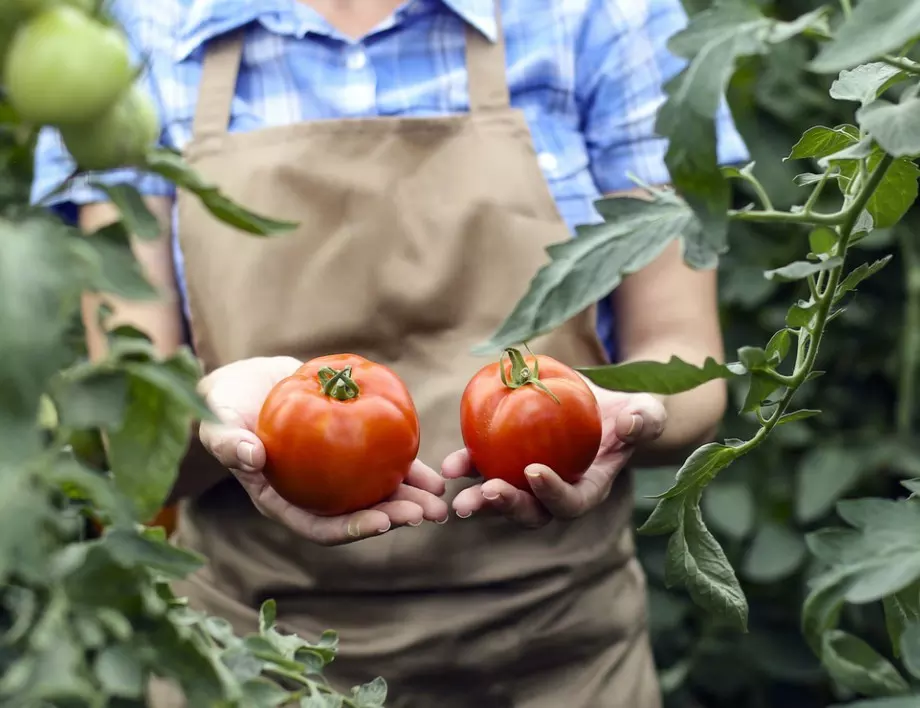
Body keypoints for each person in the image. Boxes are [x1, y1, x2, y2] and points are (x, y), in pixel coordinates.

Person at [32, 1, 748, 706]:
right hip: (251, 669)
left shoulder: (606, 15)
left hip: (562, 662)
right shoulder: (128, 36)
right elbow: (126, 442)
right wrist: (203, 412)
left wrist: (631, 409)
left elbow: (687, 365)